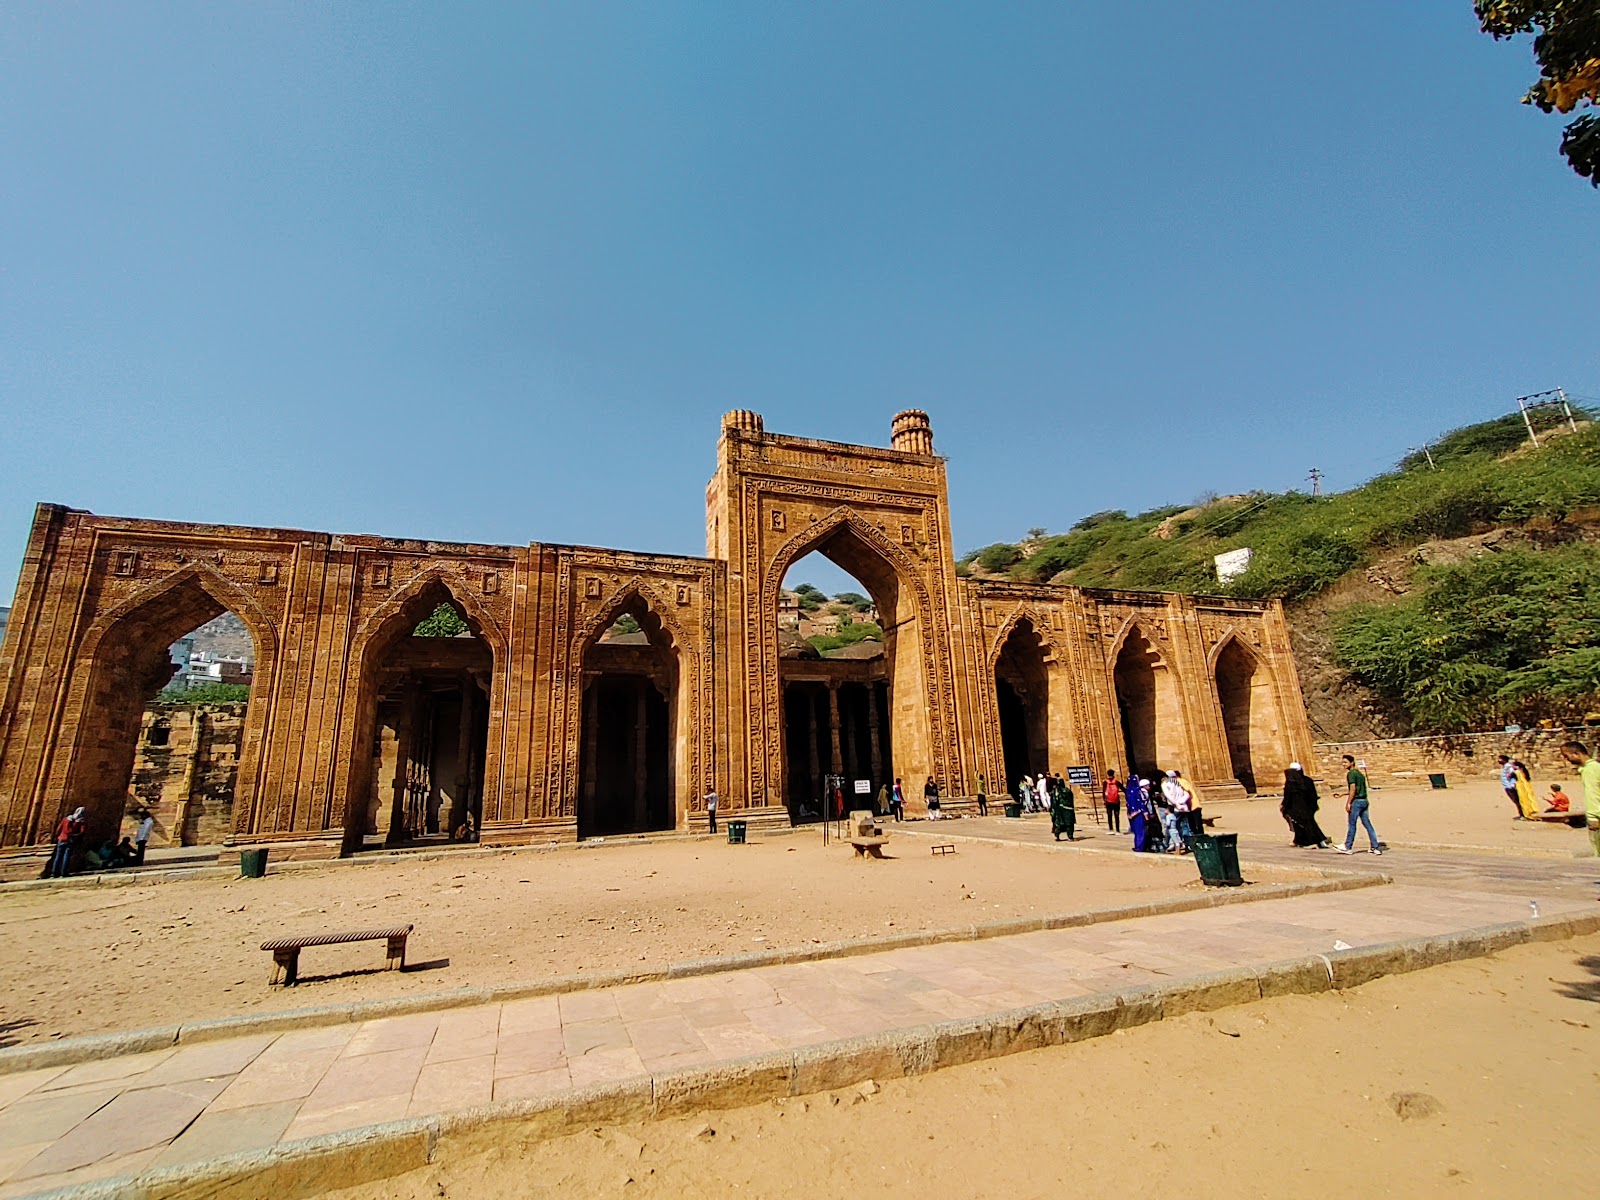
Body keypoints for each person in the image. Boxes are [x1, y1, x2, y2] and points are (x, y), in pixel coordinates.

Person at [1558, 741, 1600, 859]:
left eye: (1566, 756)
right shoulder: (1594, 767)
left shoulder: (1590, 770)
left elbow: (1593, 795)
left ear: (1576, 754)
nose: (1566, 759)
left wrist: (1593, 817)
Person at [1338, 753, 1383, 855]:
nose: (1343, 764)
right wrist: (1343, 794)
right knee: (1367, 824)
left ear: (1352, 763)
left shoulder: (1351, 774)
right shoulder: (1359, 774)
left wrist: (1348, 802)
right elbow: (1358, 789)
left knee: (1352, 824)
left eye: (1345, 762)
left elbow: (1353, 789)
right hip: (1364, 800)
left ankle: (1348, 846)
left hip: (1357, 802)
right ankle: (1375, 847)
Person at [1280, 763, 1331, 848]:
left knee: (1304, 824)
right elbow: (1313, 795)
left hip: (1296, 807)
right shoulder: (1307, 780)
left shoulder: (1291, 782)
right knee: (1303, 823)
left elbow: (1288, 796)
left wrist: (1284, 805)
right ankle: (1299, 840)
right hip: (1308, 806)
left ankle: (1311, 842)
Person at [46, 806, 85, 879]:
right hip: (70, 840)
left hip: (61, 839)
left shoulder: (66, 819)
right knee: (66, 856)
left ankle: (54, 873)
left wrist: (57, 836)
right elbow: (82, 832)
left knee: (58, 856)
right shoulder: (80, 821)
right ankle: (64, 873)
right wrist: (75, 836)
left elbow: (59, 828)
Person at [1162, 771, 1195, 853]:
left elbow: (1168, 796)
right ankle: (1187, 844)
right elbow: (1186, 794)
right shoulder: (1178, 783)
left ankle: (1172, 844)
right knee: (1185, 826)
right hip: (1184, 807)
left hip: (1175, 808)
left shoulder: (1166, 784)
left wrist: (1177, 804)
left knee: (1173, 827)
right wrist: (1182, 802)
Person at [1124, 773, 1150, 851]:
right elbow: (1141, 802)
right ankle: (1139, 847)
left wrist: (1129, 813)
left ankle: (1137, 845)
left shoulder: (1128, 791)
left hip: (1131, 813)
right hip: (1138, 813)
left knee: (1136, 831)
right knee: (1141, 831)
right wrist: (1145, 812)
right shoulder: (1137, 791)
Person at [1498, 755, 1525, 819]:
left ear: (1504, 760)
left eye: (1500, 759)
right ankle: (1521, 814)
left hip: (1511, 786)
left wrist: (1513, 782)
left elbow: (1514, 773)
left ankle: (1523, 815)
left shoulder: (1508, 766)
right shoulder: (1506, 766)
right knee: (1516, 801)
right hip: (1508, 786)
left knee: (1517, 801)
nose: (1499, 760)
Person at [1050, 774, 1076, 841]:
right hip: (1061, 810)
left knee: (1067, 823)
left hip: (1065, 809)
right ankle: (1060, 836)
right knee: (1062, 823)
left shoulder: (1064, 791)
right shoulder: (1056, 792)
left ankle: (1069, 836)